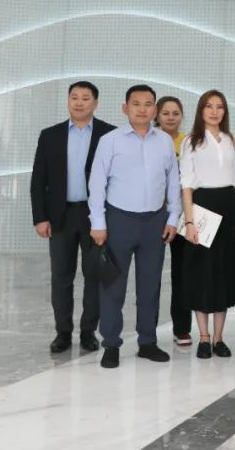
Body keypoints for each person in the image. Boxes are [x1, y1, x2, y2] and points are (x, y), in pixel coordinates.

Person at [87, 84, 180, 369]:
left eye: (148, 104)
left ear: (155, 109)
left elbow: (174, 181)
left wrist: (173, 218)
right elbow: (97, 182)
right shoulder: (110, 141)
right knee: (113, 286)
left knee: (150, 285)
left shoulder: (164, 141)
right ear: (125, 108)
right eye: (136, 104)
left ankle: (147, 342)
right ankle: (111, 344)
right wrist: (98, 222)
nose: (142, 109)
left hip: (154, 222)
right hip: (118, 221)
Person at [30, 81, 115, 354]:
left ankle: (89, 331)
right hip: (60, 215)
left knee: (94, 276)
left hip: (95, 216)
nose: (79, 102)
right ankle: (63, 332)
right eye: (74, 97)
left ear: (95, 103)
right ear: (68, 101)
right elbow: (38, 180)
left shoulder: (109, 134)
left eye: (85, 98)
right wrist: (40, 218)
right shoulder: (50, 135)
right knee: (61, 277)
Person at [179, 89, 235, 359]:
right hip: (202, 207)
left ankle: (219, 338)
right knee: (201, 273)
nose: (214, 111)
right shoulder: (191, 141)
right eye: (209, 106)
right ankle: (204, 338)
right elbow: (186, 184)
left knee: (224, 273)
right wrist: (189, 221)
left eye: (220, 106)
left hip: (230, 206)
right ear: (201, 110)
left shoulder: (233, 140)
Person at [154, 96, 190, 346]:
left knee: (182, 273)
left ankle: (182, 328)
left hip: (182, 217)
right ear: (157, 115)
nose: (170, 117)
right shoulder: (149, 140)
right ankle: (148, 330)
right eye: (165, 113)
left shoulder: (188, 142)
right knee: (150, 274)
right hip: (153, 214)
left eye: (175, 113)